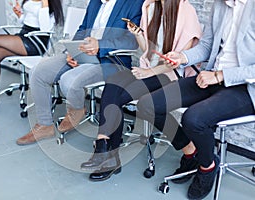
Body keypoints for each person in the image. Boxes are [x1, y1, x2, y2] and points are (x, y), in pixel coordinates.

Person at [136, 0, 255, 199]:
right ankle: (190, 152)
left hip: (244, 87)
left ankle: (208, 166)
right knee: (148, 105)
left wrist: (220, 76)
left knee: (194, 119)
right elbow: (207, 46)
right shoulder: (220, 5)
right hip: (210, 77)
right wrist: (182, 56)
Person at [80, 0, 202, 182]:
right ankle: (103, 145)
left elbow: (177, 63)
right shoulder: (151, 7)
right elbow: (149, 51)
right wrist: (137, 35)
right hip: (149, 70)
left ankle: (109, 156)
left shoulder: (186, 11)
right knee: (115, 82)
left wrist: (148, 72)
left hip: (170, 75)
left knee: (126, 97)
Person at [15, 0, 144, 145]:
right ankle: (45, 125)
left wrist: (100, 45)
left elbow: (131, 41)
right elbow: (83, 28)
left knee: (69, 80)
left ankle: (76, 109)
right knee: (37, 72)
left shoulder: (133, 3)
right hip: (83, 52)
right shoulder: (95, 2)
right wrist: (72, 51)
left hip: (110, 59)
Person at [0, 0, 64, 116]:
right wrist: (20, 15)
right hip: (24, 34)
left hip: (36, 41)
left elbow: (45, 27)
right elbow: (28, 19)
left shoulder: (49, 3)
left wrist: (45, 3)